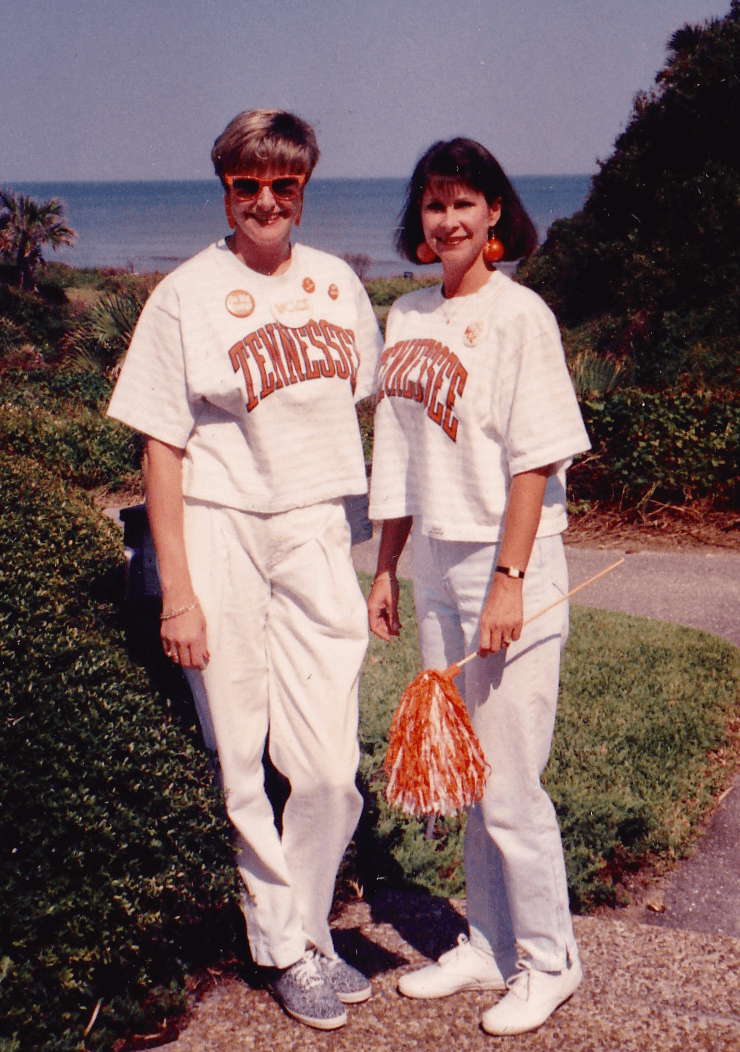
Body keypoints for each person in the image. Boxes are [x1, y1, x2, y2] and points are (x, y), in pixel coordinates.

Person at [108, 109, 383, 1031]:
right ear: (223, 188)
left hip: (314, 530)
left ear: (305, 186)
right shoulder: (186, 293)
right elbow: (161, 449)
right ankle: (283, 946)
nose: (266, 201)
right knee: (240, 754)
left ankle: (307, 928)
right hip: (221, 531)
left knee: (329, 768)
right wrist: (178, 594)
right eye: (246, 185)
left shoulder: (338, 284)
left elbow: (361, 406)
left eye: (285, 185)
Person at [367, 138, 591, 1036]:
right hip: (433, 564)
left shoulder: (521, 314)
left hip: (512, 563)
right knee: (466, 769)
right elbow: (397, 456)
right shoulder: (407, 316)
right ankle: (490, 942)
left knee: (511, 784)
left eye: (464, 203)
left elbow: (537, 457)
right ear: (418, 221)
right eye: (432, 204)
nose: (447, 220)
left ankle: (551, 957)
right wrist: (384, 566)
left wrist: (508, 580)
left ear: (496, 211)